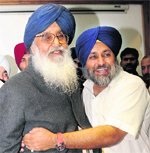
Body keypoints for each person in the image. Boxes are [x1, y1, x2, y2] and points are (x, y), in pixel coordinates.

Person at [23, 26, 150, 153]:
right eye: (93, 57)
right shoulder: (84, 91)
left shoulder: (131, 84)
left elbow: (112, 134)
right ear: (84, 63)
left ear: (114, 58)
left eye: (106, 55)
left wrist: (55, 140)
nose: (101, 62)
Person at [0, 4, 100, 153]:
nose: (57, 43)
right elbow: (6, 149)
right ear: (32, 47)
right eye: (47, 37)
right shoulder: (16, 88)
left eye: (61, 36)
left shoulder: (71, 81)